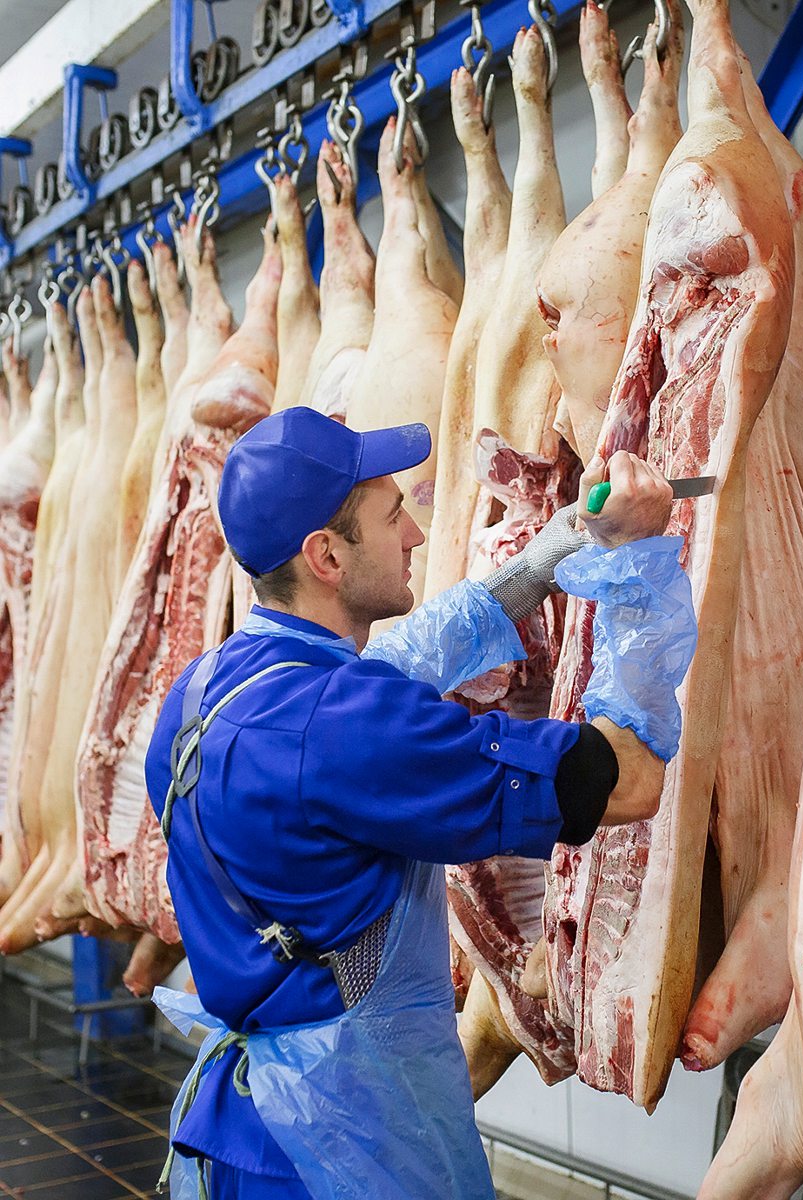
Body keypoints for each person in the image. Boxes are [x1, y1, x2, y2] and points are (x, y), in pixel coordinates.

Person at [146, 406, 698, 1200]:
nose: (413, 535)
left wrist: (554, 550)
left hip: (240, 1134)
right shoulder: (347, 731)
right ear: (326, 556)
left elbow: (401, 663)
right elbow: (629, 778)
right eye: (392, 513)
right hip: (344, 1151)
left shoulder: (206, 693)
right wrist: (639, 571)